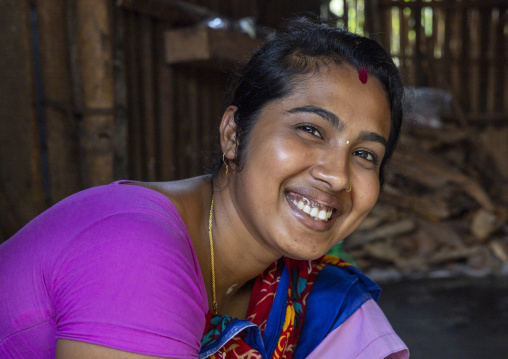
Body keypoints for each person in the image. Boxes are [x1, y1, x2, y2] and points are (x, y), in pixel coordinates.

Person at [0, 17, 409, 358]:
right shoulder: (134, 250)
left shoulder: (312, 294)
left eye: (365, 155)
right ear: (233, 135)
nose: (338, 176)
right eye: (310, 129)